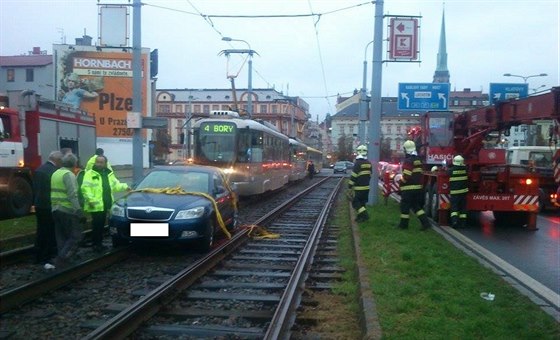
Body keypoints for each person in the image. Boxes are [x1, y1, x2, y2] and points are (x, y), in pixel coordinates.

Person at [81, 155, 129, 251]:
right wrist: (91, 200)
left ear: (105, 164)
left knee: (101, 225)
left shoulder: (109, 174)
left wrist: (125, 187)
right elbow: (85, 188)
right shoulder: (90, 174)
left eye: (101, 162)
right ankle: (97, 245)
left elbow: (116, 186)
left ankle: (98, 243)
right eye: (97, 162)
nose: (98, 164)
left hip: (105, 204)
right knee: (97, 225)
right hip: (95, 205)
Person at [49, 153, 85, 268]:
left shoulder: (56, 173)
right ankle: (62, 258)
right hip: (66, 209)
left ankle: (62, 258)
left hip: (55, 209)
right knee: (75, 236)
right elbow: (72, 195)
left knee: (61, 236)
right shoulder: (69, 175)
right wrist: (79, 211)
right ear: (74, 164)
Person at [32, 151, 63, 266]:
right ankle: (47, 256)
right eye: (61, 161)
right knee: (50, 232)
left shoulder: (39, 169)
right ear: (57, 160)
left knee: (41, 230)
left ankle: (37, 255)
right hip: (49, 205)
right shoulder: (54, 172)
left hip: (39, 204)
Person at [397, 140, 431, 230]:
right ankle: (426, 223)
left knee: (404, 207)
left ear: (406, 150)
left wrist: (400, 181)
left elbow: (407, 176)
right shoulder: (418, 160)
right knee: (416, 207)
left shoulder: (408, 161)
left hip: (408, 189)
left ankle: (403, 226)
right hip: (418, 188)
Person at [348, 145, 372, 222]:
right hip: (366, 187)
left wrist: (350, 186)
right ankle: (360, 218)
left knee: (356, 203)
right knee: (362, 203)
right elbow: (370, 174)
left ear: (358, 152)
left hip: (359, 187)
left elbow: (354, 175)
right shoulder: (369, 163)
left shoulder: (357, 163)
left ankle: (365, 215)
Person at [448, 155, 469, 228]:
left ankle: (454, 222)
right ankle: (463, 224)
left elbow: (446, 173)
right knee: (463, 208)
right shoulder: (465, 169)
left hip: (454, 193)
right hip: (463, 193)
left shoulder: (451, 170)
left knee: (454, 208)